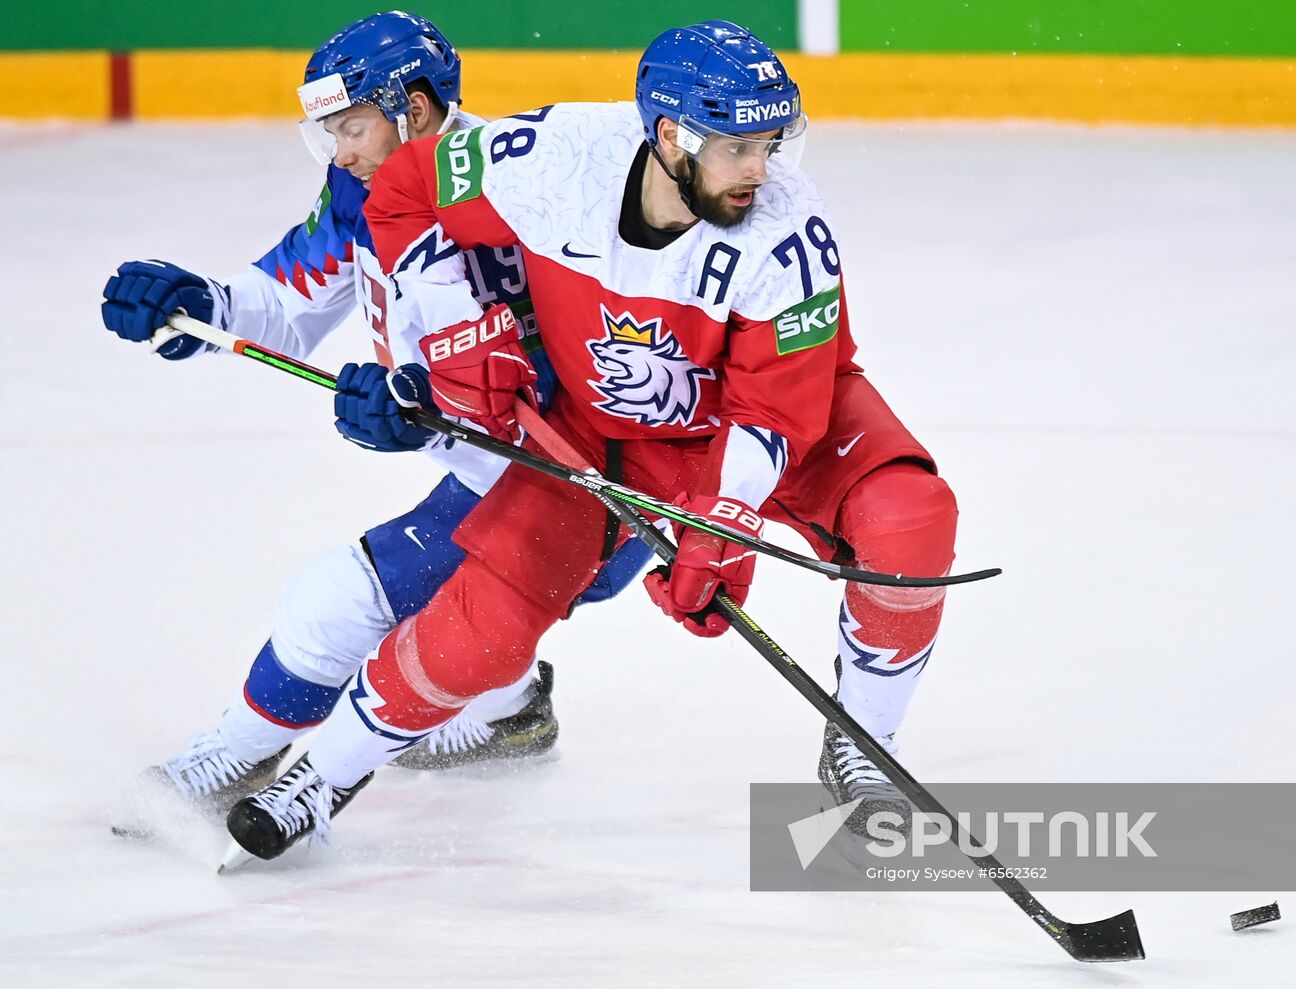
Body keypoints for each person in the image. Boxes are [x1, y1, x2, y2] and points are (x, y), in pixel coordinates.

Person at [223, 19, 959, 861]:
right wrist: (469, 329)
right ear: (672, 135)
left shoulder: (788, 230)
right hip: (606, 431)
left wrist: (723, 523)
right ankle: (322, 774)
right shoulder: (550, 159)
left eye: (771, 142)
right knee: (480, 626)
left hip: (760, 419)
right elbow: (402, 190)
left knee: (909, 515)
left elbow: (775, 410)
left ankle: (865, 744)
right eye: (740, 148)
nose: (765, 169)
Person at [98, 10, 652, 828]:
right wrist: (203, 308)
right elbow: (289, 296)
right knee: (459, 601)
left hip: (588, 484)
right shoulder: (364, 188)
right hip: (497, 464)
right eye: (329, 133)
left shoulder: (521, 198)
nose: (341, 151)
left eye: (352, 127)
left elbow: (584, 384)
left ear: (416, 110)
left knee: (334, 604)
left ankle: (237, 753)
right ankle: (509, 712)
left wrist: (425, 417)